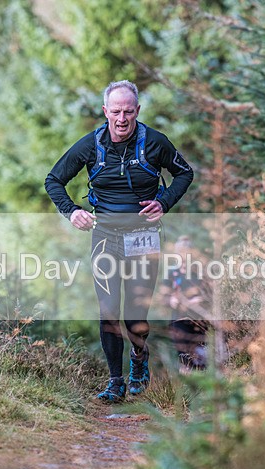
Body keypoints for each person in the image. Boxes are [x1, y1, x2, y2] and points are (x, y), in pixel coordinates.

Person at [45, 80, 194, 402]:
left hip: (144, 235)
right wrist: (71, 212)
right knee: (108, 310)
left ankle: (139, 362)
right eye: (116, 112)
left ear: (137, 111)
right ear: (105, 112)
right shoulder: (90, 145)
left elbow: (185, 173)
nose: (122, 118)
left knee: (135, 312)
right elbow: (54, 180)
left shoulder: (155, 143)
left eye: (128, 111)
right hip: (105, 237)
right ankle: (115, 381)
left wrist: (164, 202)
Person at [167, 235, 210, 372]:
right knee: (183, 354)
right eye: (180, 251)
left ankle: (203, 379)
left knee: (200, 351)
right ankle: (188, 381)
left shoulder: (200, 270)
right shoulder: (172, 272)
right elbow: (165, 295)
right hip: (179, 318)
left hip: (197, 317)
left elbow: (208, 292)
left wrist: (198, 300)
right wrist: (171, 300)